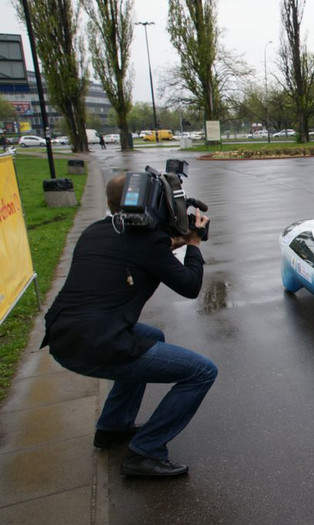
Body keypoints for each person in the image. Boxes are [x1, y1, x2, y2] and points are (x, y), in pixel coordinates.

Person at [41, 175, 216, 477]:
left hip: (63, 337)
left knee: (152, 336)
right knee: (202, 372)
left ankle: (112, 426)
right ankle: (145, 451)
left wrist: (172, 242)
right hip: (99, 344)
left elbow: (138, 253)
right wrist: (194, 244)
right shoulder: (147, 243)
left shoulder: (95, 231)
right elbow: (189, 285)